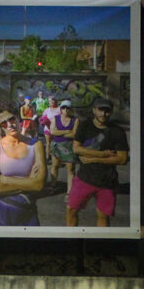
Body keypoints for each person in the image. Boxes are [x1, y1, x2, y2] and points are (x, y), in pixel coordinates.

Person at [65, 97, 128, 227]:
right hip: (84, 178)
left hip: (107, 182)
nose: (103, 114)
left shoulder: (117, 131)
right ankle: (71, 240)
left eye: (107, 111)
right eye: (100, 110)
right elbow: (76, 148)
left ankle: (101, 244)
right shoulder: (84, 125)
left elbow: (122, 159)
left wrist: (94, 159)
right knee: (71, 210)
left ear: (111, 112)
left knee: (103, 216)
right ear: (94, 110)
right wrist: (103, 154)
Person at [0, 110, 46, 227]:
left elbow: (39, 185)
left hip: (27, 208)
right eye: (4, 123)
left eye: (11, 119)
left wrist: (6, 180)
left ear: (17, 118)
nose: (10, 124)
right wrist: (29, 182)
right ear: (0, 127)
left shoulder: (36, 145)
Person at [48, 100, 78, 195]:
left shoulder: (75, 120)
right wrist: (67, 131)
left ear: (71, 109)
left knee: (71, 169)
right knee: (55, 166)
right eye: (63, 108)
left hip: (69, 147)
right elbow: (52, 132)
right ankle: (53, 186)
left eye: (68, 108)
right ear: (61, 109)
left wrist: (59, 132)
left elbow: (74, 134)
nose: (65, 110)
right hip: (57, 146)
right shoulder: (55, 118)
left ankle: (69, 192)